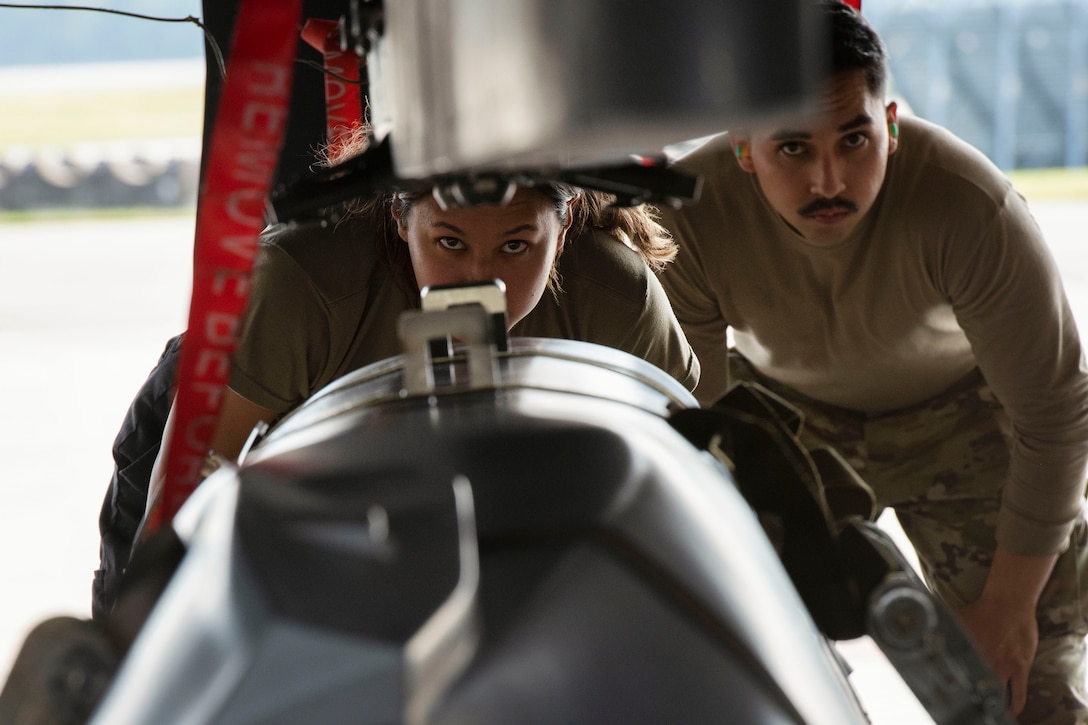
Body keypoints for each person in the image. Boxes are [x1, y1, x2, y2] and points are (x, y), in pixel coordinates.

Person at [656, 1, 1088, 722]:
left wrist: (1011, 607)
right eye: (791, 147)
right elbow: (703, 420)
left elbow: (1057, 411)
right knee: (727, 656)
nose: (829, 179)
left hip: (963, 418)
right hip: (786, 420)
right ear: (741, 146)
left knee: (1025, 692)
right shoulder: (690, 215)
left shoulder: (968, 205)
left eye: (854, 139)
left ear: (889, 124)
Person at [93, 129, 699, 621]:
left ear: (561, 233)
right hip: (248, 420)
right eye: (450, 242)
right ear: (401, 221)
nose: (478, 278)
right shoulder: (302, 287)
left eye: (516, 247)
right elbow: (177, 512)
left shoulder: (617, 299)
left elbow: (695, 481)